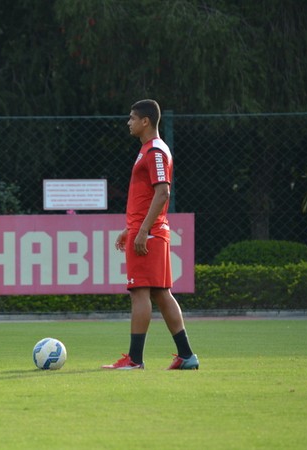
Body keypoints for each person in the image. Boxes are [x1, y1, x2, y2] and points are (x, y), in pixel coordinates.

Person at [102, 100, 199, 370]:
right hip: (148, 230)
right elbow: (148, 196)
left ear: (146, 121)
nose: (128, 122)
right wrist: (130, 228)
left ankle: (134, 360)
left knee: (139, 293)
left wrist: (142, 231)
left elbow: (163, 192)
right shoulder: (148, 150)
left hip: (151, 234)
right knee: (161, 293)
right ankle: (187, 356)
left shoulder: (155, 152)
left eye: (132, 118)